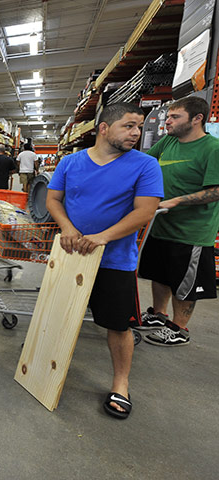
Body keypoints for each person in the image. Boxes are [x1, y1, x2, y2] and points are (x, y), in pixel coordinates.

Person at [45, 102, 163, 420]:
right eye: (129, 125)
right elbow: (53, 198)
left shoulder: (146, 165)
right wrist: (68, 227)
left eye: (139, 126)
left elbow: (145, 211)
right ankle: (43, 369)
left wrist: (103, 237)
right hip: (70, 256)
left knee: (117, 325)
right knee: (56, 314)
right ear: (104, 128)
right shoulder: (71, 163)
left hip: (114, 261)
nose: (136, 133)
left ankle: (121, 384)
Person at [137, 96, 219, 347]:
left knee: (184, 284)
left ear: (197, 119)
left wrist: (175, 201)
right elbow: (144, 163)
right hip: (160, 223)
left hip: (191, 230)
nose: (168, 122)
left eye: (175, 117)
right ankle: (158, 315)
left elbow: (216, 190)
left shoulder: (212, 149)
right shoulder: (169, 141)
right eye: (168, 116)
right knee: (160, 273)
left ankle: (179, 328)